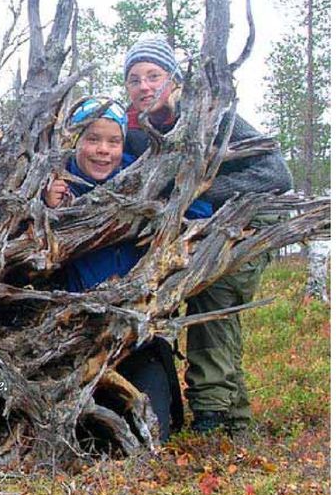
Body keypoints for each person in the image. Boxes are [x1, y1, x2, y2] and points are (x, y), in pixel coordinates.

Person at [121, 34, 293, 434]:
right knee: (214, 318)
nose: (145, 86)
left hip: (241, 229)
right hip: (193, 232)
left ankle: (213, 422)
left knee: (211, 307)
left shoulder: (211, 118)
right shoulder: (135, 131)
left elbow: (276, 174)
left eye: (154, 75)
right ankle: (234, 425)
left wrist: (195, 191)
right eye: (134, 79)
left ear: (175, 80)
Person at [44, 97, 212, 441]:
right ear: (75, 140)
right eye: (92, 139)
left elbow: (199, 213)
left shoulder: (144, 177)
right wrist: (46, 210)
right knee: (78, 436)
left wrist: (162, 213)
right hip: (69, 334)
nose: (103, 150)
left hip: (138, 334)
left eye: (113, 141)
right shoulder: (52, 183)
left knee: (150, 433)